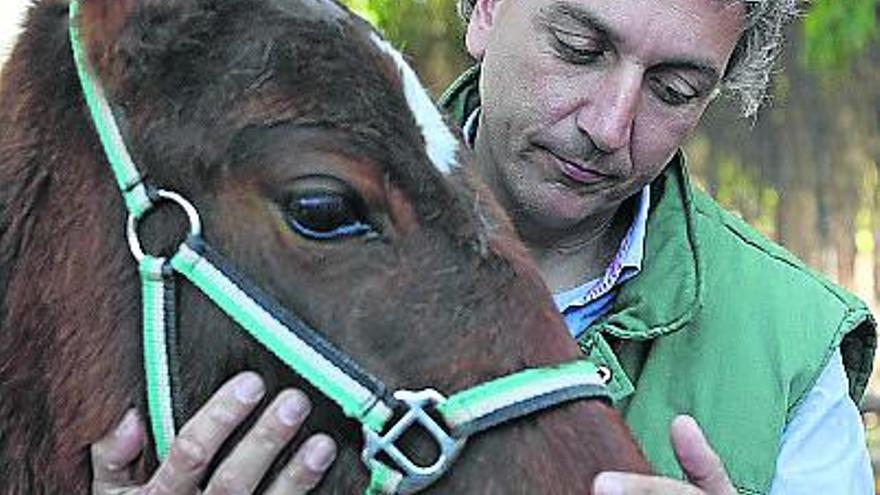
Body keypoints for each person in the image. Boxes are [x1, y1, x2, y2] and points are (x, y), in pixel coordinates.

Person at [91, 0, 877, 493]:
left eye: (674, 90)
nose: (608, 125)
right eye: (578, 44)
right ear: (484, 10)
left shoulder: (792, 351)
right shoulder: (258, 231)